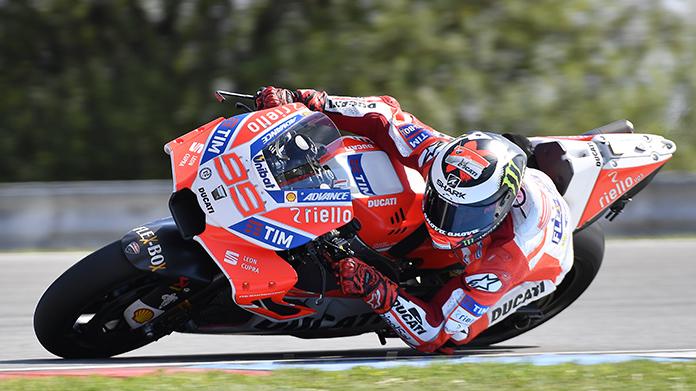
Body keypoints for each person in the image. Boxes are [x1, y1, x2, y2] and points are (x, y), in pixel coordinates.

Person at [255, 86, 574, 353]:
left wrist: (375, 287)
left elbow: (432, 333)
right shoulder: (442, 156)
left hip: (536, 270)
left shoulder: (506, 259)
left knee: (457, 336)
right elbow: (384, 115)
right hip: (495, 200)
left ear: (498, 207)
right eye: (442, 200)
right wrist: (309, 100)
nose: (446, 220)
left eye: (462, 215)